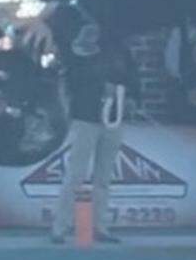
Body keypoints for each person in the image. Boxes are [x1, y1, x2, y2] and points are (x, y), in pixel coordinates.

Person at [50, 43, 137, 245]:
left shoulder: (121, 50)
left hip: (114, 117)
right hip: (86, 116)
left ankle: (100, 226)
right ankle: (60, 226)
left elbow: (132, 78)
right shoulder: (77, 52)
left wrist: (130, 97)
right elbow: (72, 82)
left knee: (104, 176)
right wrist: (101, 88)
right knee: (76, 173)